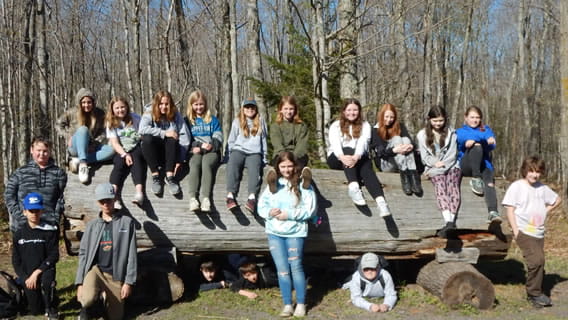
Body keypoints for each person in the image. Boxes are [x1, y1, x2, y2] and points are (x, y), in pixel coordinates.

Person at [257, 151, 317, 318]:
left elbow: (310, 210)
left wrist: (288, 214)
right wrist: (270, 212)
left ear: (295, 166)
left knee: (296, 267)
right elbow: (261, 207)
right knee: (282, 270)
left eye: (290, 166)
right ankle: (287, 304)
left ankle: (301, 303)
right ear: (278, 167)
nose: (287, 169)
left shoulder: (305, 187)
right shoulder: (273, 186)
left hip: (295, 232)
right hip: (274, 232)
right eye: (283, 166)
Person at [502, 156, 561, 308]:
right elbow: (510, 209)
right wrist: (516, 230)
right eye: (531, 171)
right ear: (525, 171)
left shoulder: (542, 188)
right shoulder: (517, 187)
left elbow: (557, 200)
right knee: (536, 261)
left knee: (539, 261)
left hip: (538, 232)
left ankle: (537, 290)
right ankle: (534, 294)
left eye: (538, 172)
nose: (534, 175)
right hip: (523, 230)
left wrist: (545, 210)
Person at [75, 182, 137, 320]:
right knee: (86, 299)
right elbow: (83, 254)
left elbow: (132, 255)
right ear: (98, 202)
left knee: (116, 316)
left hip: (115, 276)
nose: (106, 204)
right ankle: (90, 306)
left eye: (108, 200)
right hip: (95, 271)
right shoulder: (92, 225)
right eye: (102, 201)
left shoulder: (127, 223)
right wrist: (79, 283)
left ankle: (102, 301)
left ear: (114, 199)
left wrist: (128, 282)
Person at [327, 98, 391, 217]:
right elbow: (335, 145)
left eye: (355, 110)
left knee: (366, 165)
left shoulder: (365, 125)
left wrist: (356, 157)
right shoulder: (335, 126)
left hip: (357, 159)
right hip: (336, 158)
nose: (352, 113)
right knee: (348, 149)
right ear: (344, 111)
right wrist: (342, 157)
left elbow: (363, 142)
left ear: (359, 111)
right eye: (349, 110)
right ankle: (354, 187)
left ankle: (381, 201)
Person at [4, 136, 67, 232]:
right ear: (31, 150)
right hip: (22, 228)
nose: (42, 154)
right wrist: (20, 217)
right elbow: (9, 196)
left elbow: (63, 197)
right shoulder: (20, 172)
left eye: (45, 151)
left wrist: (56, 216)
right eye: (38, 150)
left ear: (50, 152)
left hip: (49, 227)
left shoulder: (58, 173)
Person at [12, 193, 59, 319]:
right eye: (31, 210)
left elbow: (54, 256)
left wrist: (37, 273)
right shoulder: (18, 234)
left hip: (43, 271)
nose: (34, 214)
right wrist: (25, 278)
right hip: (27, 276)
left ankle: (51, 305)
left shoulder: (49, 230)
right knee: (35, 310)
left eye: (37, 210)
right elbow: (16, 261)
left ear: (41, 211)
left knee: (47, 282)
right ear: (25, 212)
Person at [416, 106, 461, 238]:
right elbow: (425, 157)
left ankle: (451, 222)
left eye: (440, 121)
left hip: (451, 166)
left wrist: (442, 166)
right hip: (434, 167)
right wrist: (435, 165)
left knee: (452, 186)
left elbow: (452, 155)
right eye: (435, 121)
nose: (438, 124)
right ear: (429, 120)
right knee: (440, 185)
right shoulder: (422, 135)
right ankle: (447, 220)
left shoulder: (451, 134)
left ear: (445, 120)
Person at [56, 88, 115, 184]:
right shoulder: (71, 112)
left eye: (89, 102)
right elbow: (58, 125)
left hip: (92, 146)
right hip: (75, 147)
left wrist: (96, 143)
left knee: (112, 151)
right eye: (83, 102)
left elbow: (103, 131)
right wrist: (67, 136)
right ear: (79, 102)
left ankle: (79, 161)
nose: (86, 105)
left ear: (93, 102)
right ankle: (83, 165)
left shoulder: (99, 113)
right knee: (83, 129)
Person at [138, 90, 190, 196]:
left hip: (170, 154)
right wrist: (164, 133)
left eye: (166, 104)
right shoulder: (149, 112)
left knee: (172, 139)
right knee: (147, 139)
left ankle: (170, 177)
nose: (164, 107)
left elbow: (185, 136)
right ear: (156, 104)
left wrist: (180, 159)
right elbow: (142, 129)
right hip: (153, 153)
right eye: (161, 104)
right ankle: (156, 177)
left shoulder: (176, 115)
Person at [456, 106, 500, 222]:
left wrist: (485, 139)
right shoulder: (460, 131)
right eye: (472, 117)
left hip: (484, 165)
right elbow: (465, 141)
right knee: (477, 146)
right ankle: (476, 178)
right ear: (465, 118)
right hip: (467, 164)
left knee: (490, 183)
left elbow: (493, 144)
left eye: (477, 118)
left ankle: (493, 212)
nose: (475, 120)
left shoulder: (486, 129)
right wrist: (484, 139)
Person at [225, 98, 268, 213]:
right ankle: (230, 196)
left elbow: (263, 140)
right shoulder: (237, 121)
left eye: (252, 107)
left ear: (256, 109)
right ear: (243, 109)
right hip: (238, 150)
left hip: (254, 152)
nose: (250, 109)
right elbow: (231, 140)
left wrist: (265, 157)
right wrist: (227, 156)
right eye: (247, 107)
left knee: (255, 169)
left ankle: (252, 198)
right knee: (233, 164)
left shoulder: (261, 121)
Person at [371, 103, 423, 196]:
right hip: (386, 164)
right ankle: (405, 179)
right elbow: (380, 153)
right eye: (386, 116)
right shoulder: (375, 130)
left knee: (406, 140)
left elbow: (412, 143)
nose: (389, 120)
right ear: (382, 115)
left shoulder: (400, 126)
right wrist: (394, 150)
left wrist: (411, 146)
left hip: (403, 162)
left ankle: (413, 177)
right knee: (397, 138)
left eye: (392, 117)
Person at [185, 90, 223, 212]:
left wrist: (212, 145)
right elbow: (185, 139)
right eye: (195, 104)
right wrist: (197, 146)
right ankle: (193, 198)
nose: (198, 107)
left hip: (211, 151)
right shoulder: (187, 121)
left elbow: (219, 136)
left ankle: (206, 198)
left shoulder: (213, 120)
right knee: (195, 164)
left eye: (201, 104)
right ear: (191, 105)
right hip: (196, 150)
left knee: (206, 164)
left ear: (205, 104)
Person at [105, 97, 146, 205]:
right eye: (117, 108)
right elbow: (114, 142)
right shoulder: (111, 123)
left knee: (136, 161)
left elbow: (143, 133)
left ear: (127, 107)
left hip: (136, 147)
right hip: (121, 149)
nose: (120, 110)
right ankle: (114, 196)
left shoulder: (135, 118)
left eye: (122, 107)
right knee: (118, 164)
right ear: (112, 110)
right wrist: (124, 154)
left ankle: (139, 193)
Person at [270, 96, 309, 169]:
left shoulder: (301, 126)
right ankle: (274, 175)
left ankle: (303, 176)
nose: (288, 112)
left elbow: (302, 145)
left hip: (297, 155)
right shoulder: (275, 126)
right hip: (280, 154)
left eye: (291, 109)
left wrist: (293, 157)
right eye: (286, 109)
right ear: (280, 110)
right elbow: (277, 144)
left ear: (295, 110)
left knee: (300, 163)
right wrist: (285, 157)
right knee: (280, 164)